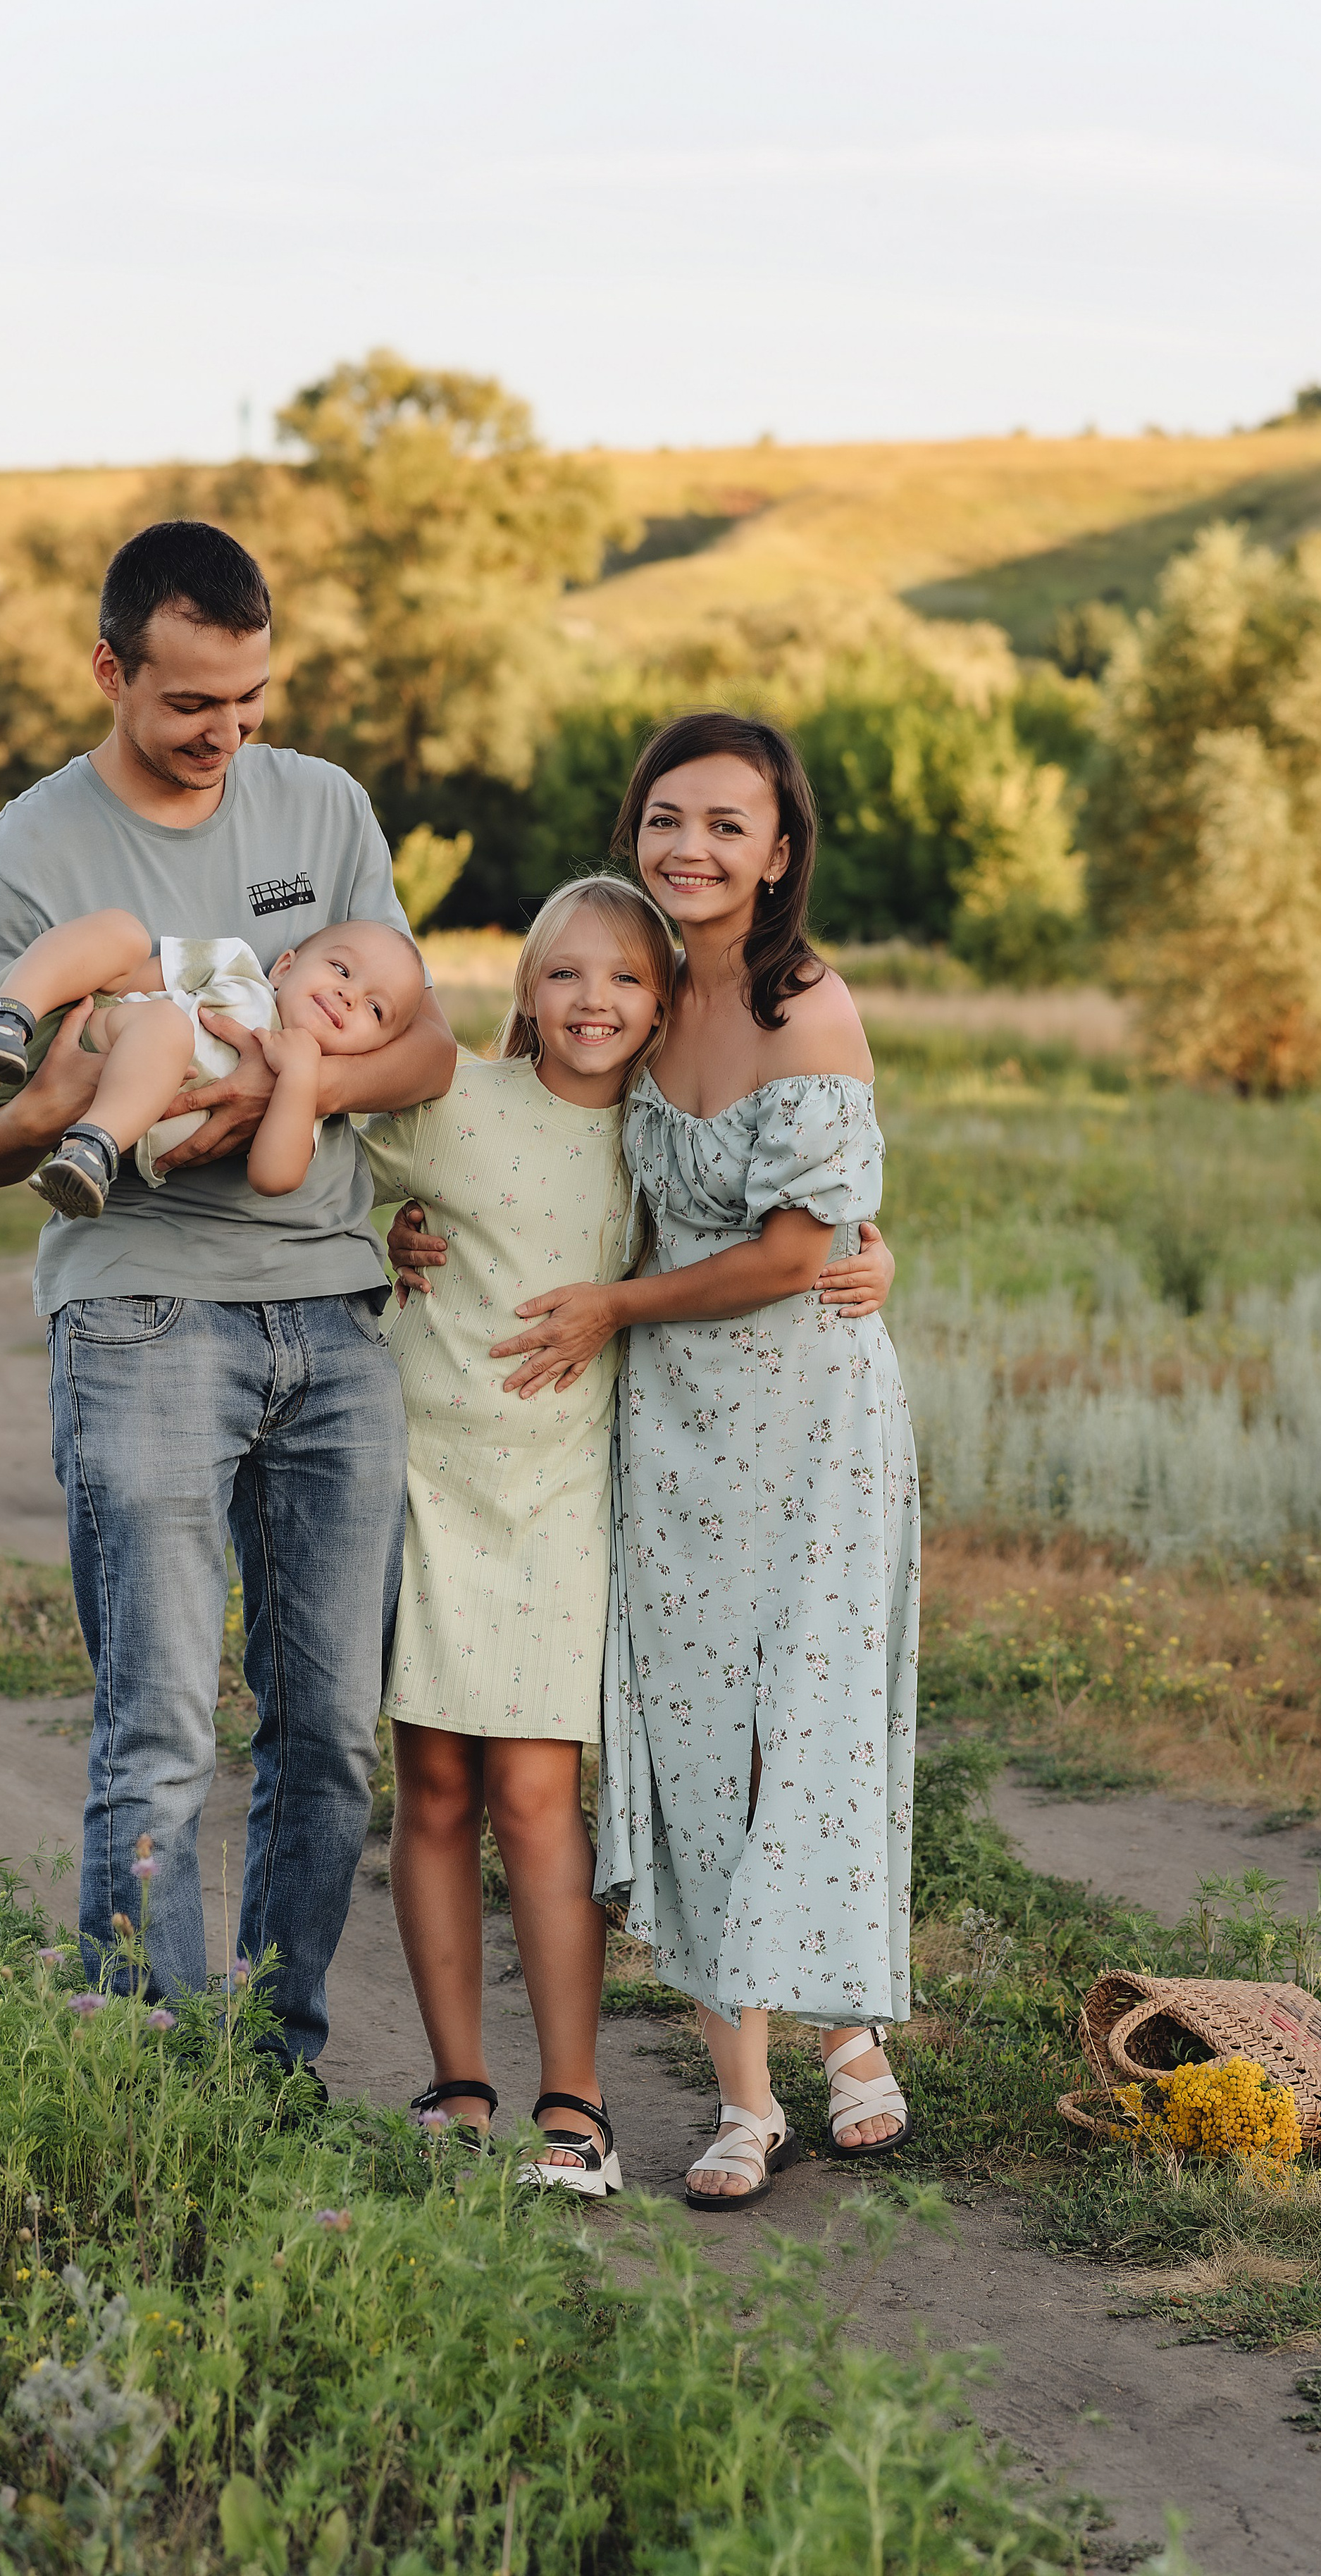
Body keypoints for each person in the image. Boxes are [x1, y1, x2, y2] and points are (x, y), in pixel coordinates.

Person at [0, 519, 457, 2082]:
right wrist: (84, 1104)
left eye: (249, 698)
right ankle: (147, 2078)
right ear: (109, 670)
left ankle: (270, 2064)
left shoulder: (325, 806)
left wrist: (276, 1088)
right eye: (188, 705)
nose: (226, 736)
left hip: (332, 1311)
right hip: (142, 1310)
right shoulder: (24, 857)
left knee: (327, 1739)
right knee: (156, 1728)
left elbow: (424, 1051)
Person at [373, 875, 897, 2196]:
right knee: (468, 1783)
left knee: (591, 1782)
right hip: (506, 1477)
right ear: (526, 993)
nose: (592, 1001)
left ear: (657, 1007)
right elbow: (351, 1158)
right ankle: (487, 2084)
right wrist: (387, 1234)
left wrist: (869, 1252)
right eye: (563, 975)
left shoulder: (680, 1107)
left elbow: (782, 1218)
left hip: (607, 1482)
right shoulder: (497, 1102)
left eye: (621, 979)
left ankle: (636, 2088)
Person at [488, 712, 919, 2209]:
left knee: (797, 1726)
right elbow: (513, 1133)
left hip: (810, 1426)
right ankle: (747, 2098)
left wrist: (624, 1301)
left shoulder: (810, 1009)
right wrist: (421, 1224)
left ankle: (847, 2019)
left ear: (779, 847)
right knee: (686, 1748)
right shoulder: (632, 987)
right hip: (667, 1428)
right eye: (666, 816)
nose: (690, 846)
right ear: (634, 829)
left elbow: (802, 1246)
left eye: (726, 823)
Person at [0, 912, 425, 1213]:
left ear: (372, 1048)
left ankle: (87, 1155)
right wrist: (6, 992)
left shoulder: (302, 1090)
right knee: (124, 937)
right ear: (286, 966)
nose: (348, 994)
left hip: (76, 1119)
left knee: (166, 1027)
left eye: (376, 1010)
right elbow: (111, 980)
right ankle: (7, 1012)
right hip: (47, 1037)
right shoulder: (237, 969)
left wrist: (299, 1076)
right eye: (341, 969)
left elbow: (274, 1178)